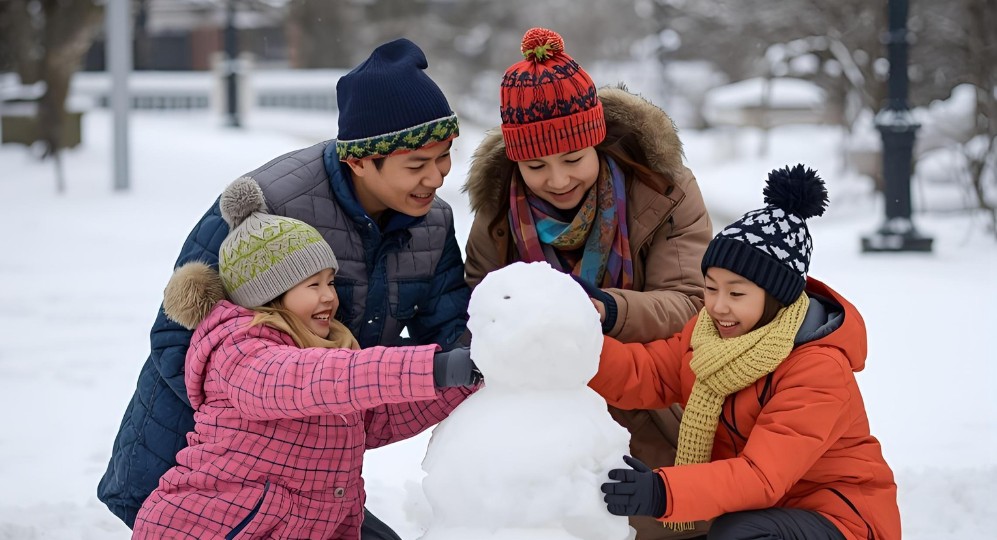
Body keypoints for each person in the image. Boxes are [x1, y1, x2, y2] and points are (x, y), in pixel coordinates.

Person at [98, 38, 469, 539]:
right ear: (361, 160)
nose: (437, 177)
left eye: (444, 157)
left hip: (312, 483)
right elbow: (179, 335)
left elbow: (447, 339)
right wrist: (264, 424)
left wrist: (481, 363)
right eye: (417, 164)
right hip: (205, 473)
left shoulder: (432, 222)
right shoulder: (270, 204)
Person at [462, 27, 712, 539]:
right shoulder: (496, 215)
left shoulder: (664, 191)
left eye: (573, 159)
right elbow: (477, 308)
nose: (557, 180)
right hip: (547, 415)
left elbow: (692, 302)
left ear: (596, 140)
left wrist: (606, 310)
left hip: (657, 402)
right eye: (536, 165)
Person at [131, 178, 479, 539]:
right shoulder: (239, 353)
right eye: (313, 285)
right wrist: (434, 367)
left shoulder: (325, 352)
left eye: (330, 282)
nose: (329, 296)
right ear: (270, 295)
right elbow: (308, 380)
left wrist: (471, 377)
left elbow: (383, 412)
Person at [594, 165, 901, 540]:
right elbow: (648, 373)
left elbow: (762, 475)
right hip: (772, 508)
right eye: (711, 288)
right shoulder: (708, 335)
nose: (719, 306)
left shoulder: (818, 369)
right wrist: (582, 348)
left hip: (842, 518)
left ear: (776, 298)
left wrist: (662, 493)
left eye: (737, 294)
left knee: (738, 534)